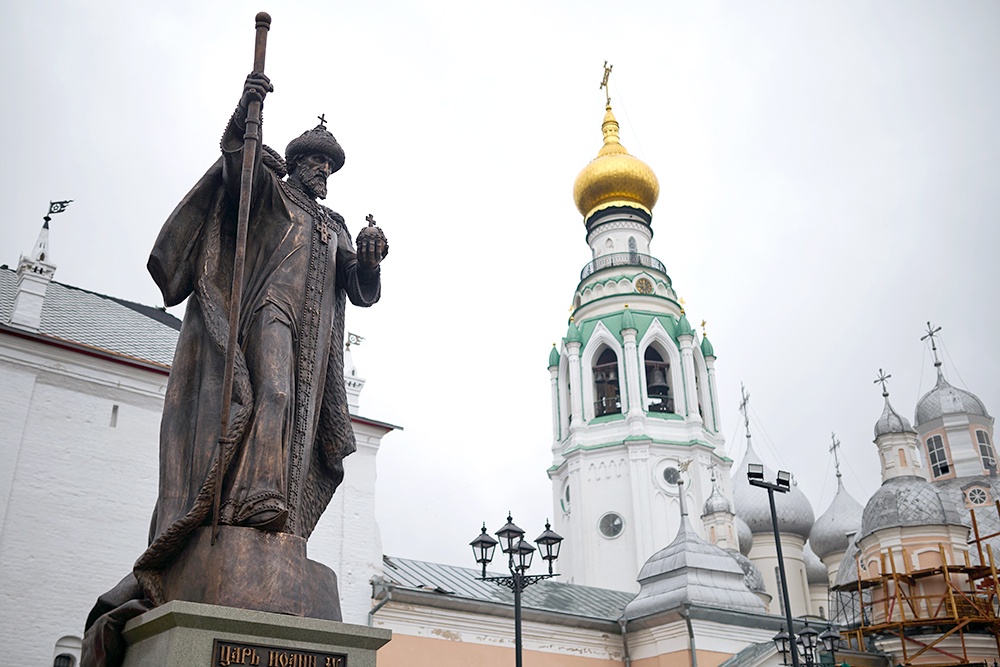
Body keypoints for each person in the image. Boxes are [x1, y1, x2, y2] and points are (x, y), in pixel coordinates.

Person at [137, 71, 388, 602]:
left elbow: (360, 290)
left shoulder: (334, 224)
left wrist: (369, 261)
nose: (323, 171)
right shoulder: (274, 197)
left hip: (314, 342)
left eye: (329, 166)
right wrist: (247, 108)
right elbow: (237, 163)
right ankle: (252, 498)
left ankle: (279, 514)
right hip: (266, 312)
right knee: (271, 394)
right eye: (317, 163)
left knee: (300, 416)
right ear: (296, 164)